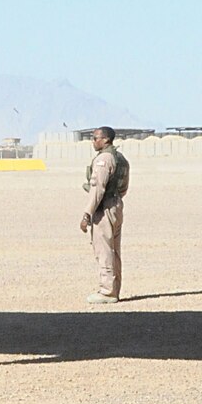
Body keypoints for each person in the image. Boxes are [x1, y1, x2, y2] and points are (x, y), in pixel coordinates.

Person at [79, 125, 129, 303]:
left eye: (96, 138)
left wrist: (87, 214)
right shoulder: (120, 158)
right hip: (116, 205)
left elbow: (97, 190)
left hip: (104, 206)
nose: (93, 141)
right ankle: (114, 289)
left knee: (104, 249)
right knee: (114, 249)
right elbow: (123, 187)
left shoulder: (104, 159)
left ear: (106, 139)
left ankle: (107, 292)